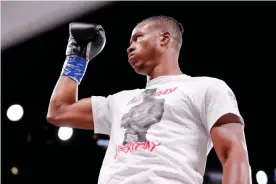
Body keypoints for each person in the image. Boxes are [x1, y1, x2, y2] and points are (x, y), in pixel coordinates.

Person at [47, 16, 251, 184]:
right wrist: (77, 56)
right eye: (129, 42)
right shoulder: (120, 101)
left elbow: (234, 153)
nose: (129, 47)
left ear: (164, 39)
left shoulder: (206, 87)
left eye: (138, 38)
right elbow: (59, 111)